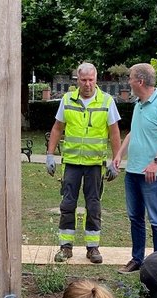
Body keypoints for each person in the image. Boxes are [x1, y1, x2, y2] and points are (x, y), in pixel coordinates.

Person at [46, 62, 122, 264]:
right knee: (67, 204)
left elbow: (114, 133)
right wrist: (49, 155)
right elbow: (57, 128)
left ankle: (93, 248)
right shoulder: (67, 100)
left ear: (96, 80)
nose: (87, 84)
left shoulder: (106, 101)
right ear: (77, 80)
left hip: (95, 164)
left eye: (91, 80)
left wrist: (116, 160)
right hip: (71, 163)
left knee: (93, 206)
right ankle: (65, 247)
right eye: (83, 80)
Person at [113, 63, 157, 274]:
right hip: (133, 172)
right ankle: (137, 259)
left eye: (131, 78)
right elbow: (134, 133)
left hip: (152, 174)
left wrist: (156, 162)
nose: (129, 82)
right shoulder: (138, 105)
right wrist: (119, 154)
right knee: (135, 217)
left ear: (140, 81)